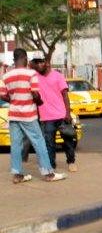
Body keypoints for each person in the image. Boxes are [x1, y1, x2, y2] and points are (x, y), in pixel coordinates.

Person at [1, 49, 65, 183]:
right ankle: (48, 173)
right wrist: (39, 100)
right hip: (28, 115)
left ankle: (17, 175)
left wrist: (14, 99)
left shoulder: (6, 75)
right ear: (24, 58)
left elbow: (2, 95)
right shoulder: (31, 74)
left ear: (14, 59)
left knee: (16, 145)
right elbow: (35, 94)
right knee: (39, 142)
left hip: (13, 114)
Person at [31, 57, 77, 173]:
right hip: (46, 117)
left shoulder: (58, 76)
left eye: (41, 62)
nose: (39, 64)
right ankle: (51, 164)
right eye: (37, 63)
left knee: (68, 140)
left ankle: (71, 161)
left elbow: (65, 95)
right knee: (49, 144)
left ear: (47, 63)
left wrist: (67, 112)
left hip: (61, 115)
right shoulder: (34, 77)